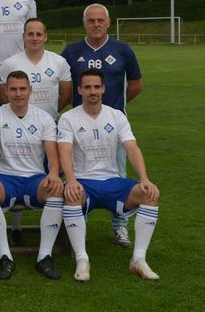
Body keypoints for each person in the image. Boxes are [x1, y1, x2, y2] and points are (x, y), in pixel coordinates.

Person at [58, 69, 160, 282]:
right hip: (84, 182)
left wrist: (144, 178)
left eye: (96, 87)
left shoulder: (116, 115)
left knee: (149, 195)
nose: (92, 91)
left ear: (103, 89)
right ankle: (82, 259)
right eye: (87, 87)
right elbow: (64, 152)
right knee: (71, 195)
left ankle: (138, 259)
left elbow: (131, 147)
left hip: (112, 181)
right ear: (79, 90)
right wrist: (72, 180)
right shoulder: (68, 118)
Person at [61, 3, 143, 247]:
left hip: (113, 129)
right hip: (81, 129)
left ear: (108, 22)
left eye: (100, 20)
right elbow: (64, 88)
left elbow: (136, 85)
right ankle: (79, 224)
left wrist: (114, 108)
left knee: (118, 174)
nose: (96, 24)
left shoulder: (123, 50)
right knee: (78, 174)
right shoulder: (71, 51)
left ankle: (120, 228)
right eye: (91, 20)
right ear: (84, 23)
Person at [0, 71, 65, 281]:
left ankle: (44, 256)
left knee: (55, 191)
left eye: (22, 89)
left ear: (30, 90)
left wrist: (53, 174)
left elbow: (52, 154)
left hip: (33, 179)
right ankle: (5, 256)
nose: (18, 94)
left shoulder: (43, 117)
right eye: (13, 89)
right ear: (6, 91)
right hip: (4, 177)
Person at [0, 18, 72, 121]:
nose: (35, 38)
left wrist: (49, 114)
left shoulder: (59, 62)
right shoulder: (9, 64)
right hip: (19, 122)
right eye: (30, 34)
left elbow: (66, 96)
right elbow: (3, 96)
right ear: (23, 37)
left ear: (45, 37)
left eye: (39, 34)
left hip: (49, 123)